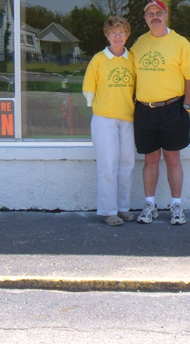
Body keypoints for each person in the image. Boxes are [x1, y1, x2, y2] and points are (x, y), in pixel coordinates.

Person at [131, 0, 190, 226]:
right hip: (144, 111)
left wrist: (187, 107)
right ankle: (150, 204)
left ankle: (176, 205)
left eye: (158, 13)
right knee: (150, 159)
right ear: (145, 18)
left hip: (173, 109)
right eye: (150, 13)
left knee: (173, 159)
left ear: (166, 15)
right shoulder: (139, 44)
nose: (155, 17)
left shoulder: (180, 44)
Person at [82, 16, 137, 227]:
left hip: (127, 117)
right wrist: (94, 105)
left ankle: (123, 208)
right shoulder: (98, 59)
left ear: (127, 35)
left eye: (121, 32)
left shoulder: (131, 58)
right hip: (104, 118)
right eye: (113, 32)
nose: (118, 36)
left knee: (127, 164)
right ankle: (108, 210)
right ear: (107, 35)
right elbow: (89, 87)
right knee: (107, 164)